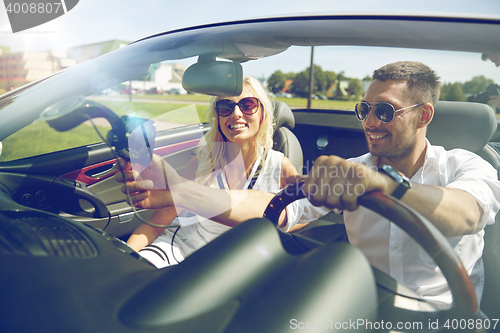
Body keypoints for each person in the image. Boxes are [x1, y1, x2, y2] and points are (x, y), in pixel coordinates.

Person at [299, 61, 500, 311]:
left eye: (385, 111)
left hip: (443, 319)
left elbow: (468, 214)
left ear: (423, 115)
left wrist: (388, 186)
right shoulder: (354, 170)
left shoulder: (467, 165)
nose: (369, 122)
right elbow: (287, 206)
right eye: (364, 109)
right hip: (364, 307)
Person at [121, 76, 300, 268]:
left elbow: (302, 212)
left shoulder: (279, 166)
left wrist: (277, 224)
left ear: (262, 114)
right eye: (225, 107)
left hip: (231, 263)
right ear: (218, 117)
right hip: (179, 249)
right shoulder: (202, 162)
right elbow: (158, 222)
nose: (236, 113)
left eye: (247, 105)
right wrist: (124, 254)